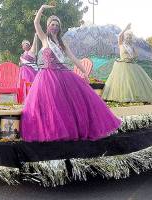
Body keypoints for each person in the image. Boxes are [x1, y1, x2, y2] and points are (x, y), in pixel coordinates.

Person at [20, 4, 121, 142]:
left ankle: (74, 130)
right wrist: (42, 8)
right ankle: (53, 131)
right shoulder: (44, 39)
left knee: (76, 100)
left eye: (56, 24)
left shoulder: (62, 43)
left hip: (62, 73)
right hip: (47, 75)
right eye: (52, 24)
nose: (54, 26)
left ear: (59, 27)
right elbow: (36, 23)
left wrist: (85, 71)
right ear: (48, 26)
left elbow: (74, 58)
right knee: (52, 104)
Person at [102, 23, 152, 103]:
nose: (128, 38)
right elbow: (120, 36)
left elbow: (135, 56)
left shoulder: (132, 47)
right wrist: (126, 28)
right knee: (123, 83)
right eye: (127, 36)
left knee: (132, 84)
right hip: (122, 65)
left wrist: (132, 57)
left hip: (131, 65)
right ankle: (122, 99)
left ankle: (133, 99)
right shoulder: (121, 44)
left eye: (130, 37)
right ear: (124, 37)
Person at [19, 34, 38, 101]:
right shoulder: (22, 55)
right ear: (22, 46)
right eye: (24, 44)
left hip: (31, 72)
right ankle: (25, 99)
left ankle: (32, 99)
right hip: (23, 73)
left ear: (29, 46)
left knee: (31, 86)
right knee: (24, 86)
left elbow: (35, 45)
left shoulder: (31, 52)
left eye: (27, 44)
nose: (25, 45)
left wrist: (35, 37)